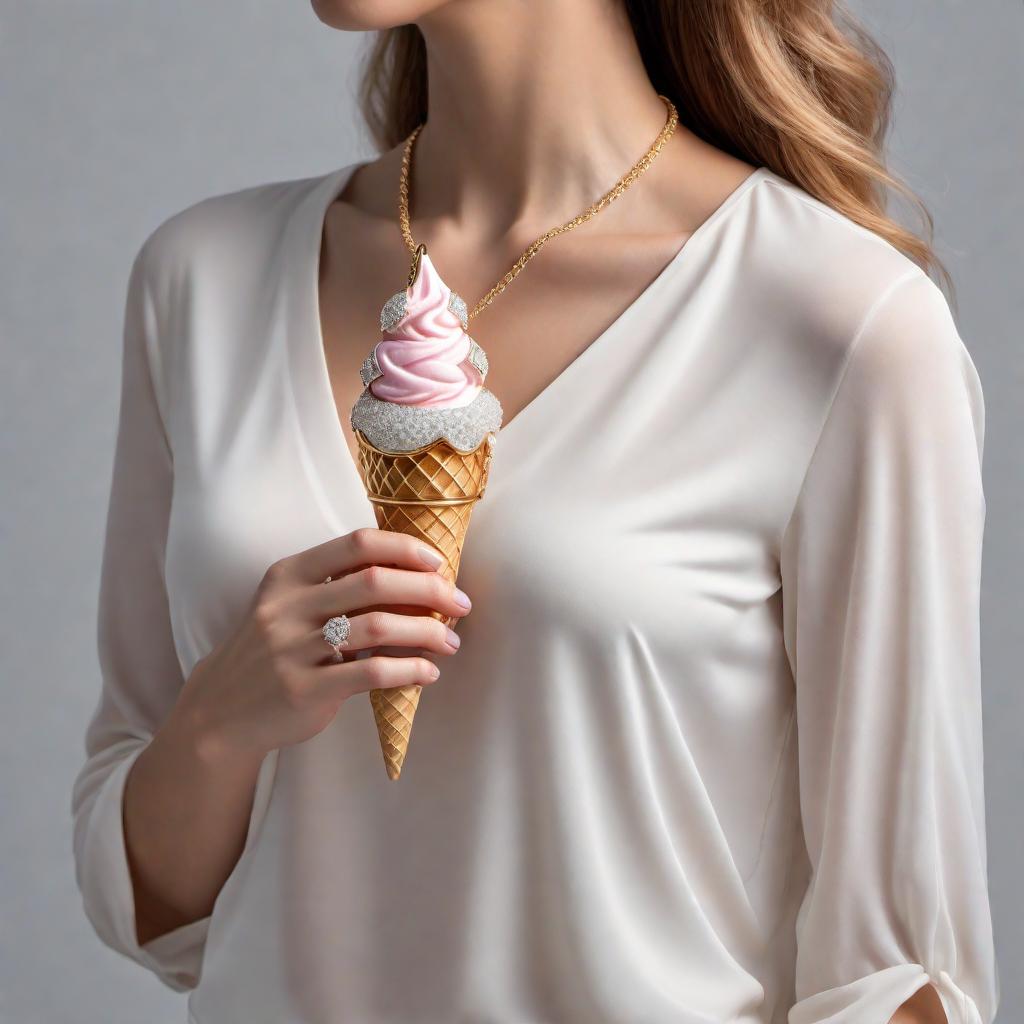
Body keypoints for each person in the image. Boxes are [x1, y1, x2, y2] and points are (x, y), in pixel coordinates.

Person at [71, 1, 1000, 1021]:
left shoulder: (837, 321)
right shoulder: (202, 279)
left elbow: (901, 980)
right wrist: (219, 721)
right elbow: (153, 907)